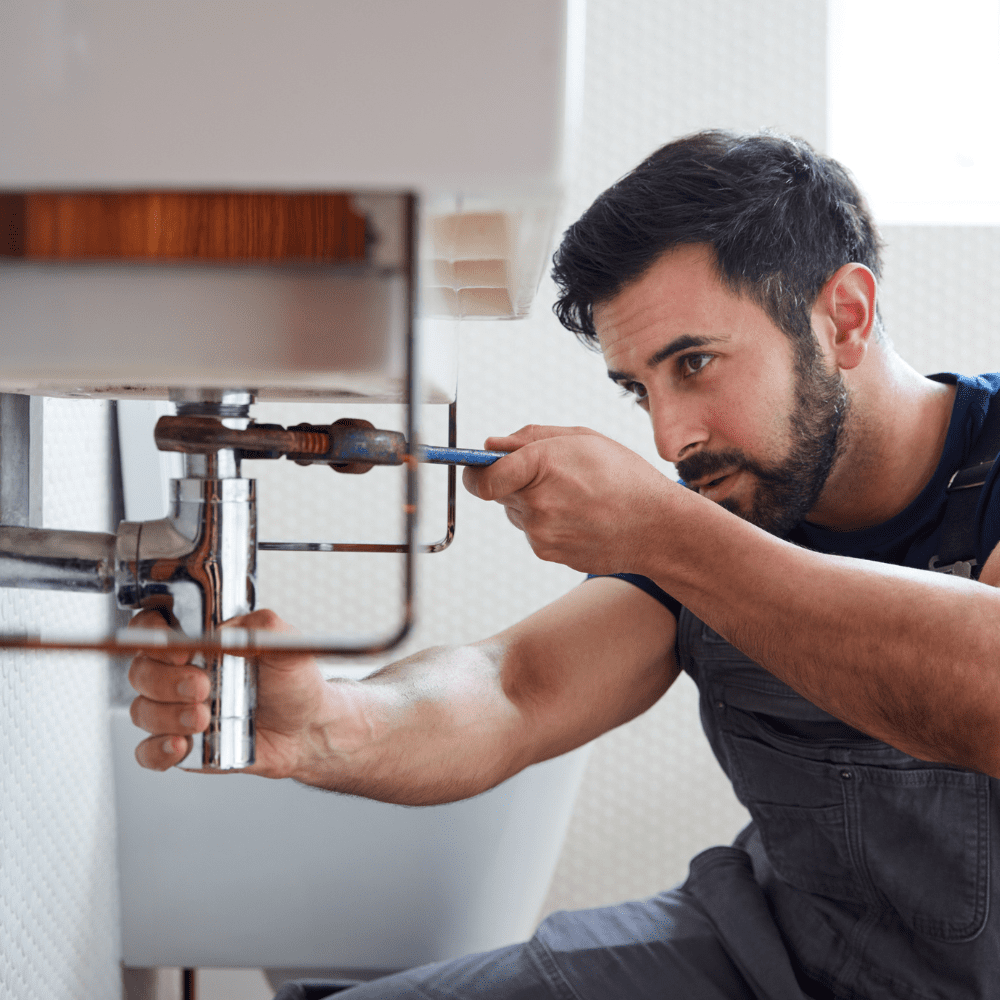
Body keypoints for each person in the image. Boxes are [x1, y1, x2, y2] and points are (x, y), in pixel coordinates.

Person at [128, 130, 1000, 999]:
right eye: (639, 389)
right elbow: (517, 687)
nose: (670, 438)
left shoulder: (706, 525)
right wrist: (333, 721)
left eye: (694, 363)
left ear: (843, 316)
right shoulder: (725, 506)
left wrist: (663, 529)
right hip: (754, 955)